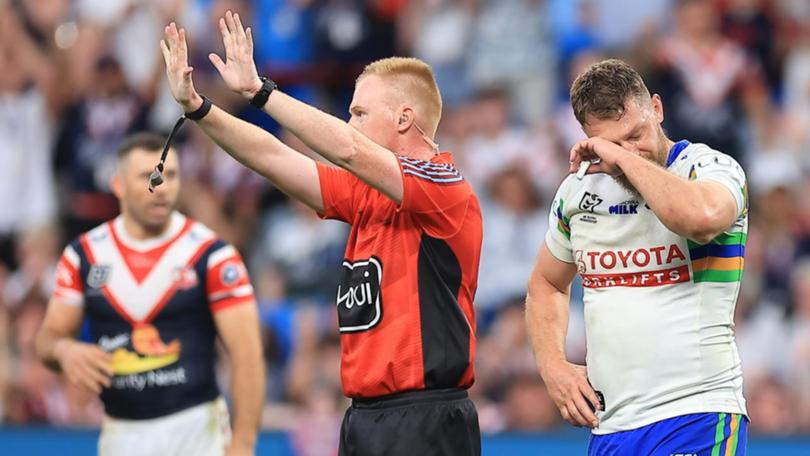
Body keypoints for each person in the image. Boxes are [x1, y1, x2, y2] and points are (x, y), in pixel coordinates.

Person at [159, 11, 482, 455]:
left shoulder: (445, 187)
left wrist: (260, 91)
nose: (350, 124)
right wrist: (199, 109)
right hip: (364, 418)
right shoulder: (367, 196)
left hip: (427, 417)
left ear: (405, 119)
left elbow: (348, 149)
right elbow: (272, 157)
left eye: (360, 112)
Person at [525, 59, 749, 455]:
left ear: (657, 109)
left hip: (697, 413)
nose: (630, 150)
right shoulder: (576, 194)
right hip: (612, 426)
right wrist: (552, 365)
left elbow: (700, 220)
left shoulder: (710, 168)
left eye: (636, 134)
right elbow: (546, 284)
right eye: (612, 143)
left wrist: (622, 158)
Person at [35, 133, 265, 456]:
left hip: (199, 431)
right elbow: (47, 339)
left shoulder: (211, 254)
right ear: (118, 185)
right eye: (148, 176)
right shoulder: (83, 255)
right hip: (121, 433)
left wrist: (243, 444)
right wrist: (64, 351)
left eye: (170, 175)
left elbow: (247, 354)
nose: (162, 187)